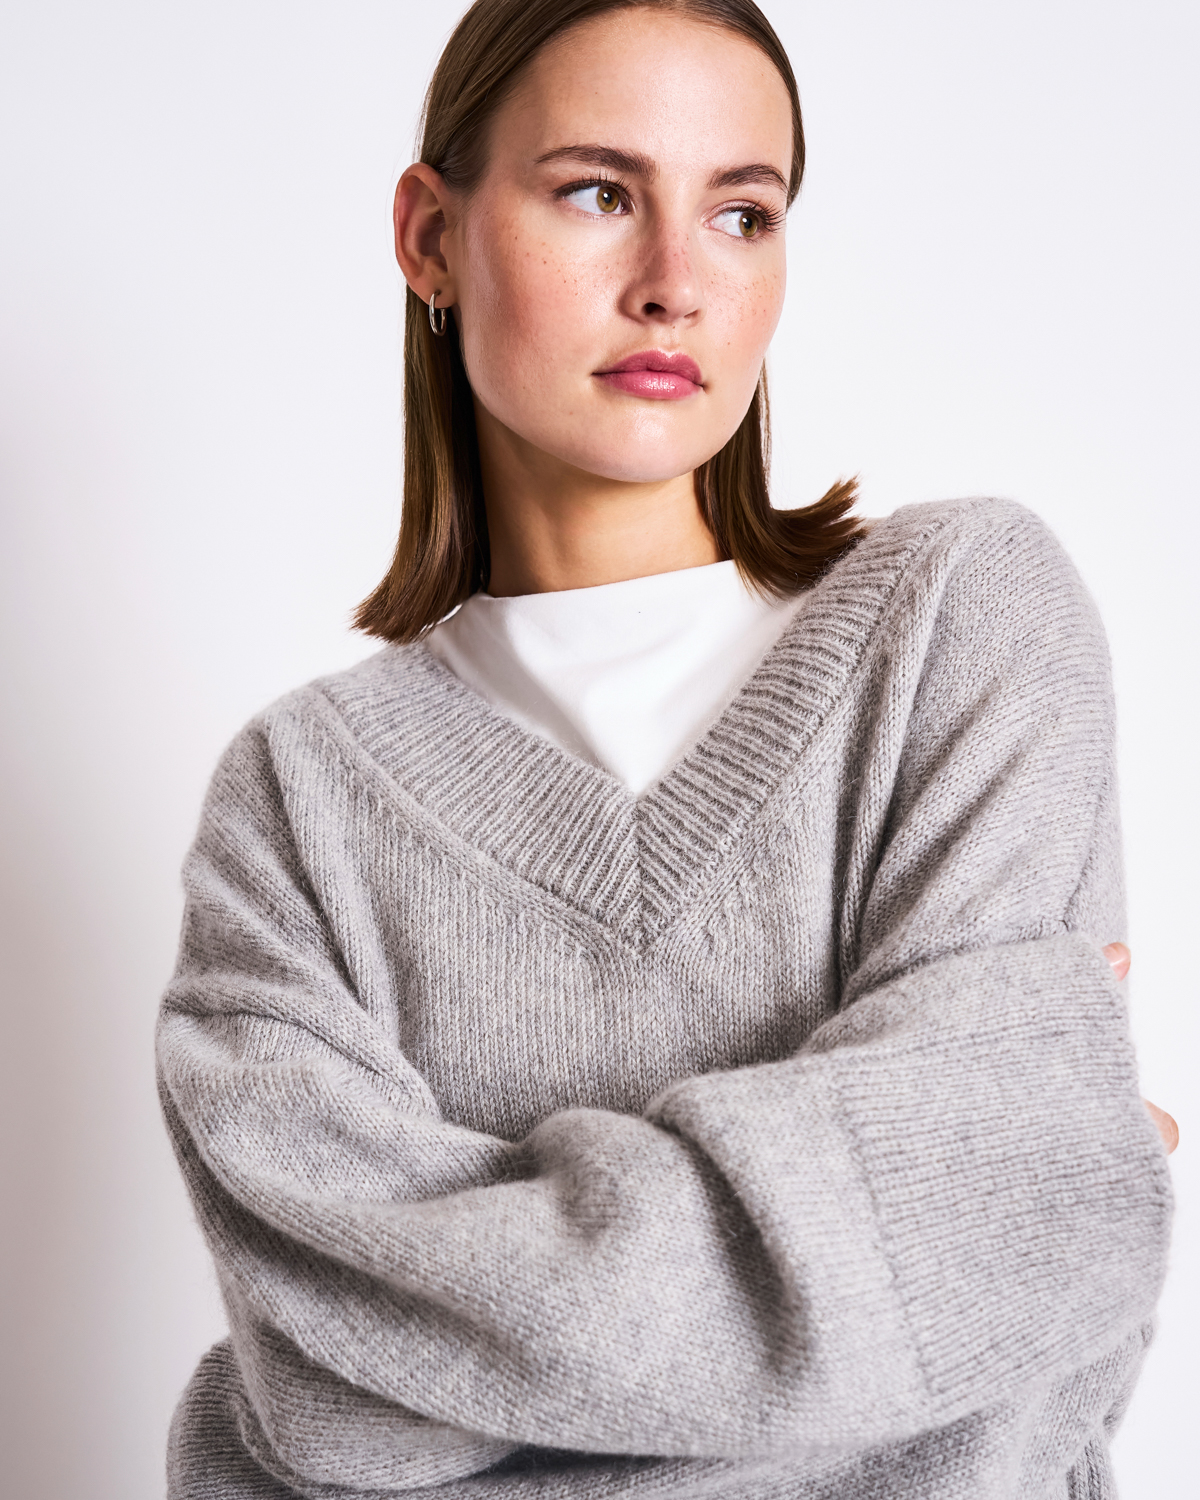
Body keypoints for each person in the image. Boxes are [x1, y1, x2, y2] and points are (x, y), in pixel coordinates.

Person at [156, 1, 1177, 1496]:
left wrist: (470, 1326)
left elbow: (1030, 1357)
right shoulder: (299, 802)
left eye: (742, 214)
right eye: (597, 193)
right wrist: (960, 1192)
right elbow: (331, 1401)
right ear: (431, 237)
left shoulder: (959, 622)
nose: (675, 284)